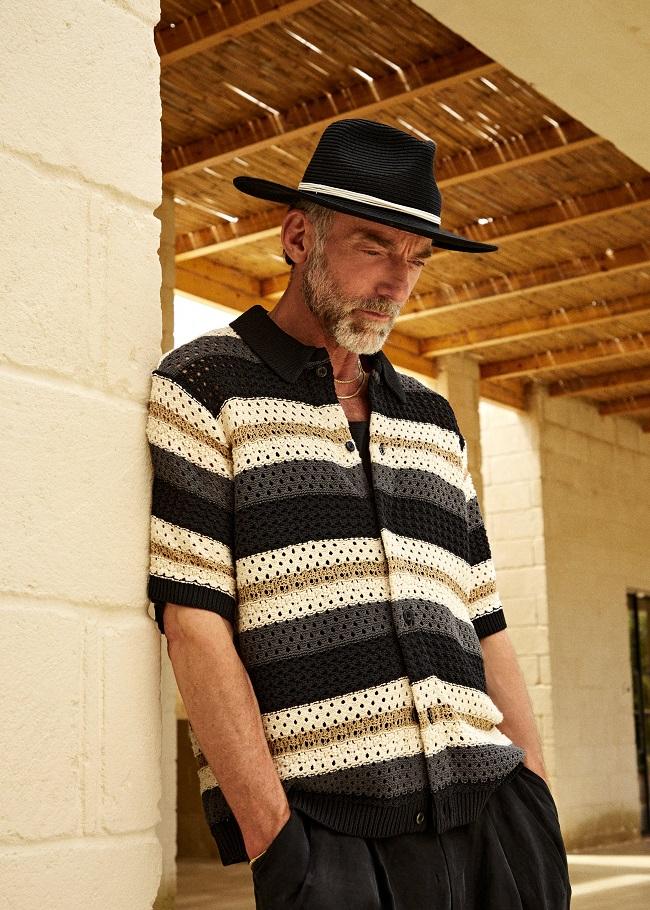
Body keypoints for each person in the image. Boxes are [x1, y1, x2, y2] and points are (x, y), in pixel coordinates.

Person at [145, 118, 571, 908]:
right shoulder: (205, 388)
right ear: (298, 237)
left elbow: (485, 621)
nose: (397, 284)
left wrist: (536, 794)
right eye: (374, 247)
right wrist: (276, 839)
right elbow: (193, 624)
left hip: (496, 821)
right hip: (330, 843)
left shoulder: (433, 419)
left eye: (416, 258)